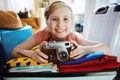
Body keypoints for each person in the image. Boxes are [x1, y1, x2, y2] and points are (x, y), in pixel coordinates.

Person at [11, 1, 109, 64]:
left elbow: (105, 48)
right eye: (54, 19)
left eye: (65, 19)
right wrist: (32, 54)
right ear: (47, 22)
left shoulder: (74, 37)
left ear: (71, 22)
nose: (60, 24)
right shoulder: (43, 33)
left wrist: (85, 50)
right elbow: (14, 51)